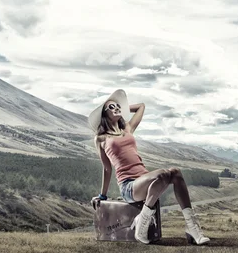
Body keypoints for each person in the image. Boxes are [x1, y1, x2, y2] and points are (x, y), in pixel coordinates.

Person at [88, 89, 210, 245]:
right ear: (104, 115)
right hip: (129, 186)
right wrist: (102, 195)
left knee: (176, 173)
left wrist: (123, 109)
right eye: (111, 107)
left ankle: (191, 227)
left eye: (117, 105)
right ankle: (142, 223)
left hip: (148, 181)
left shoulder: (128, 128)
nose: (116, 108)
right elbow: (107, 168)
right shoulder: (101, 138)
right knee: (164, 174)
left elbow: (141, 106)